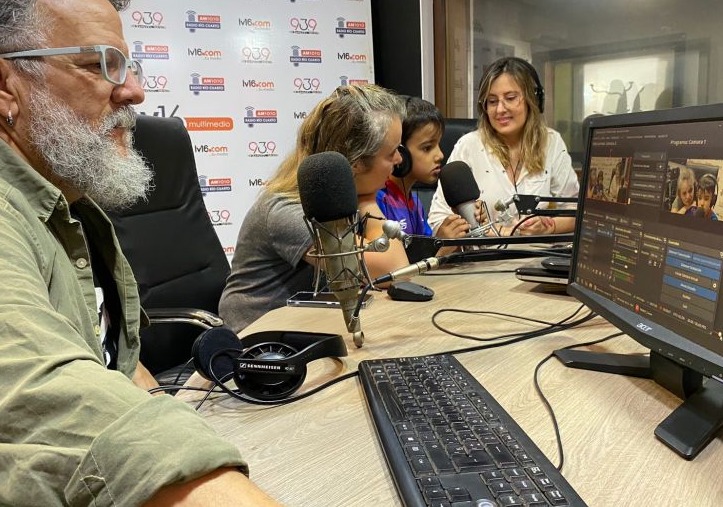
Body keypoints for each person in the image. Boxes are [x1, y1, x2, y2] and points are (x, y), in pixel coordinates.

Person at [0, 0, 296, 507]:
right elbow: (22, 385)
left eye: (129, 66)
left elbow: (112, 359)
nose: (133, 91)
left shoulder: (65, 197)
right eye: (98, 66)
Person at [219, 84, 409, 332]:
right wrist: (369, 200)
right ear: (355, 163)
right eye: (392, 152)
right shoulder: (289, 211)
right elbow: (395, 270)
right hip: (258, 346)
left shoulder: (339, 199)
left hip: (307, 324)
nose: (400, 160)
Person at [428, 57, 579, 236]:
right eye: (492, 101)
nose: (500, 109)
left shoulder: (551, 142)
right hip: (484, 259)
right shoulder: (468, 146)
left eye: (510, 98)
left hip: (537, 258)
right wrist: (505, 232)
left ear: (534, 100)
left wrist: (549, 226)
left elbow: (577, 212)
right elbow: (438, 220)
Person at [375, 96, 469, 249]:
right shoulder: (379, 201)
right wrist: (442, 247)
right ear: (401, 152)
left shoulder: (415, 203)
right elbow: (396, 268)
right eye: (427, 148)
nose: (440, 155)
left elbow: (425, 253)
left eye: (438, 144)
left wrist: (457, 232)